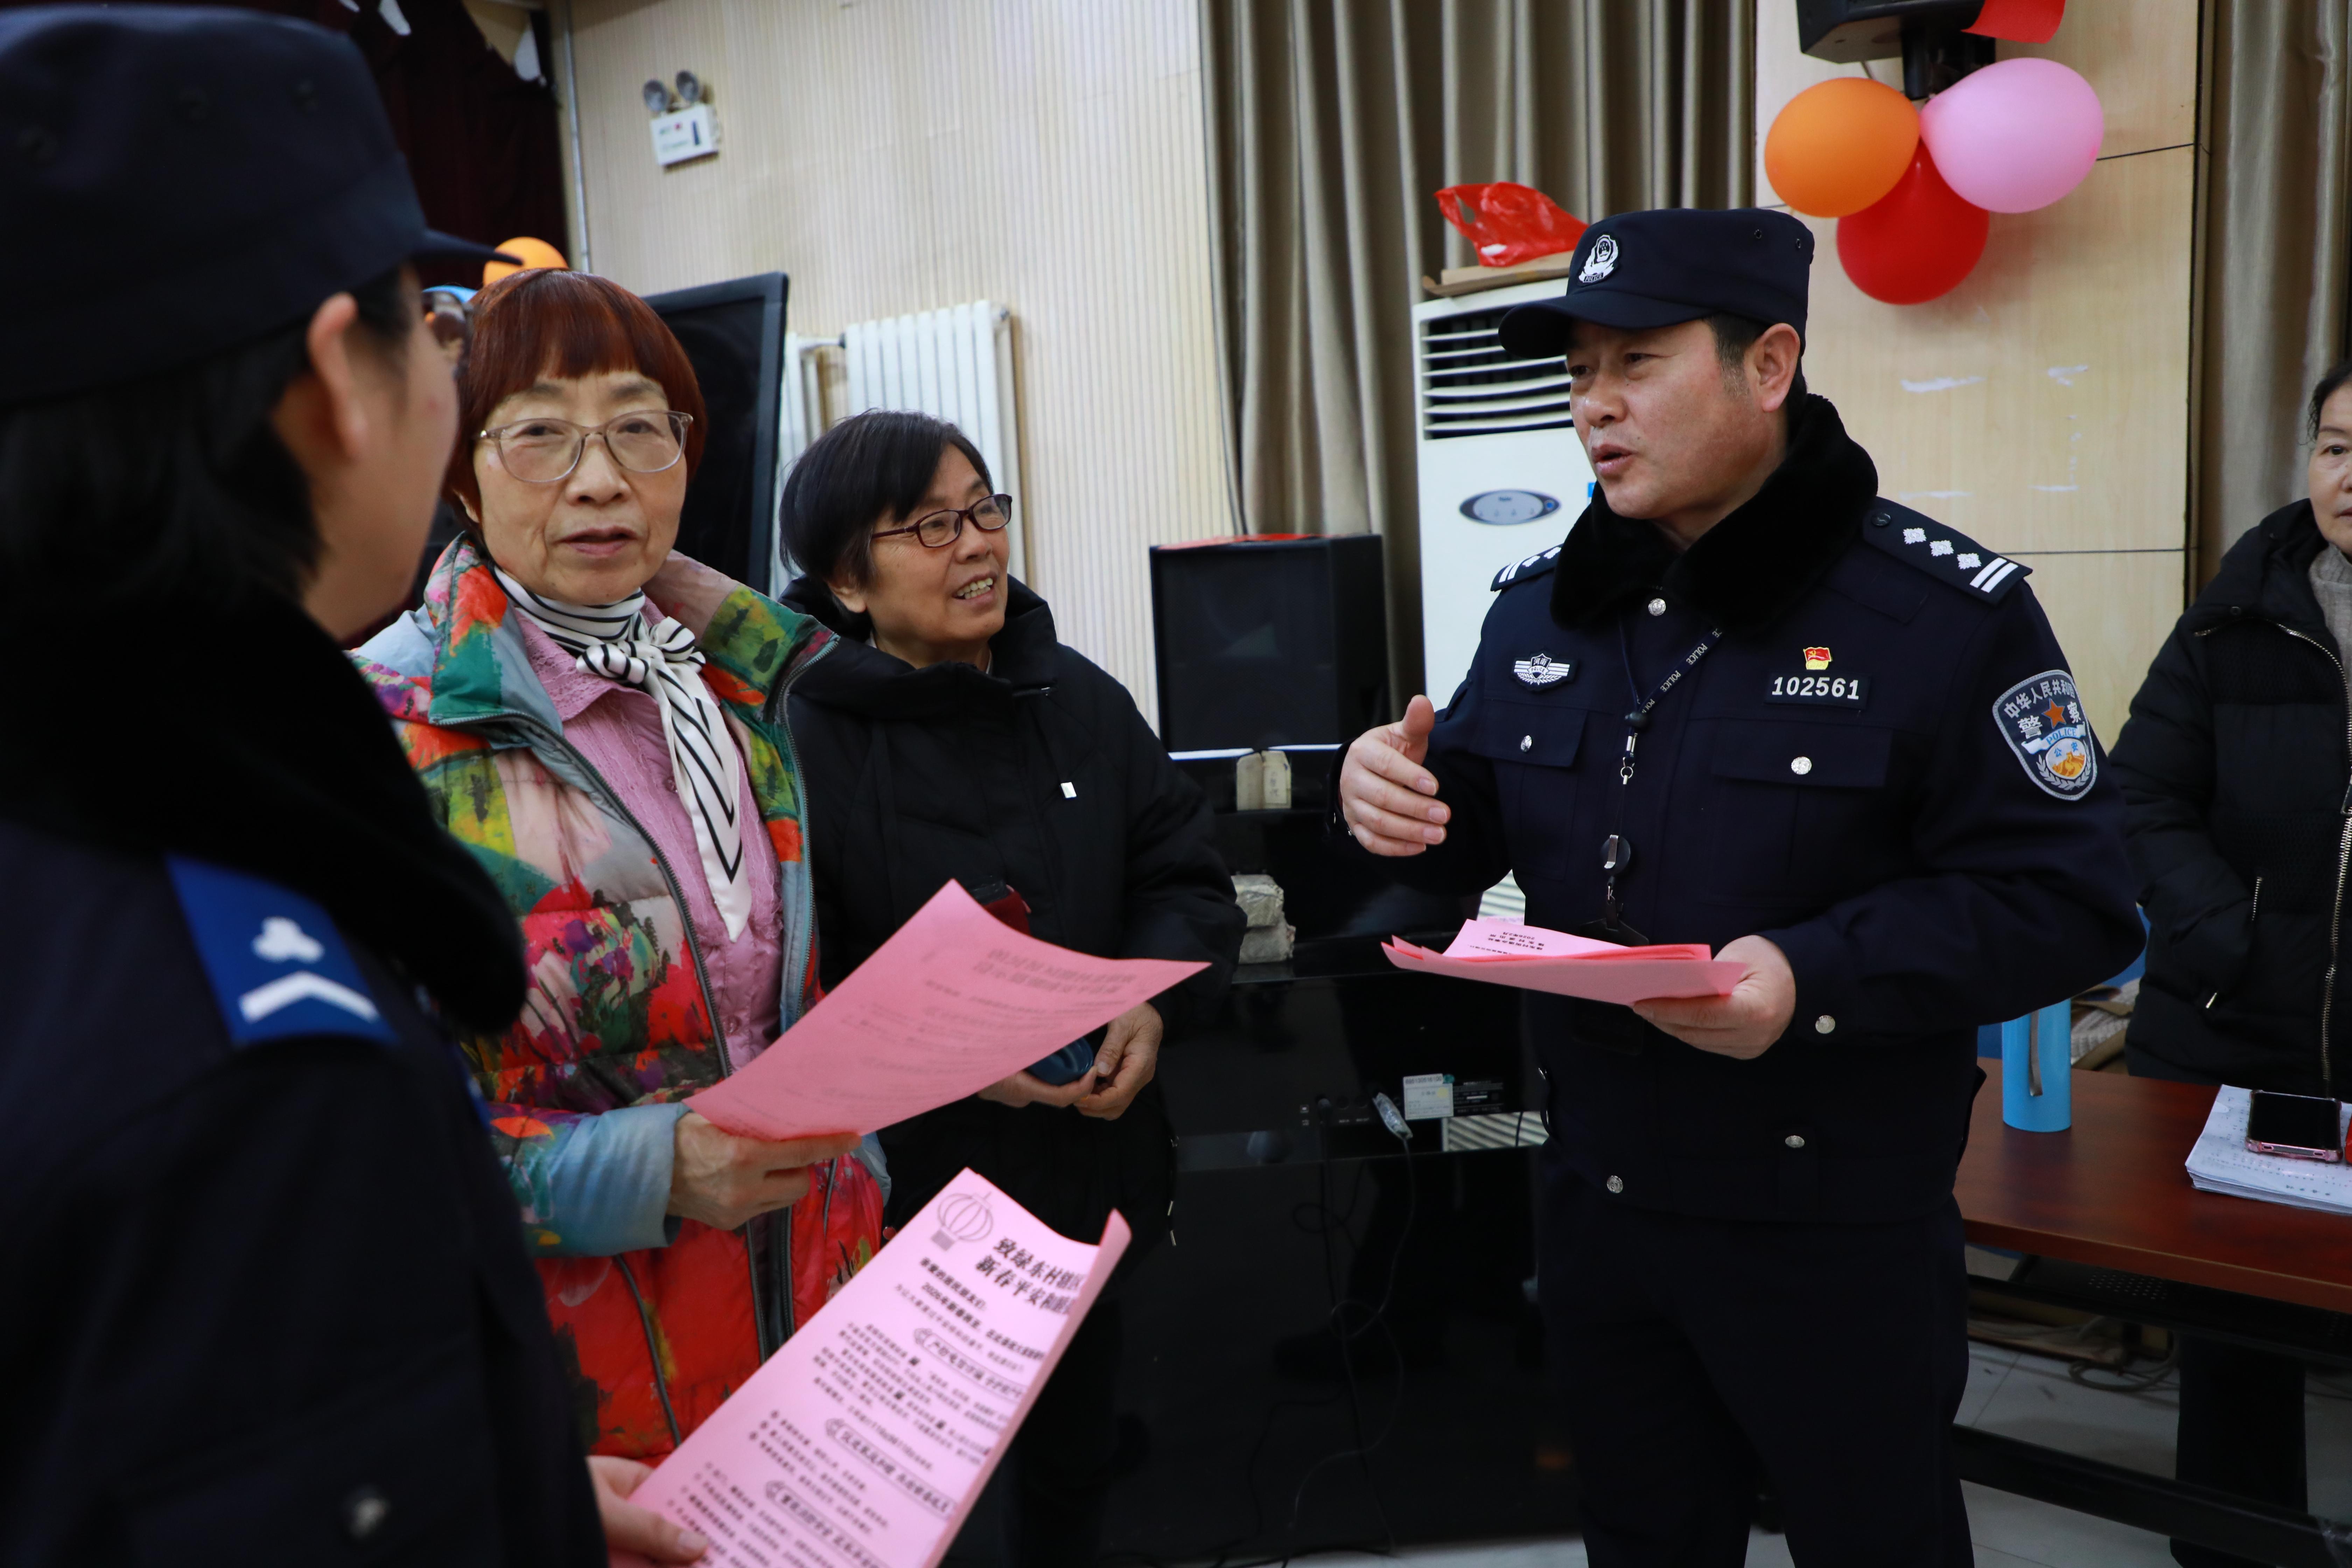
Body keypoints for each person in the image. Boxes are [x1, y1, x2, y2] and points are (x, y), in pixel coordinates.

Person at [1335, 208, 2143, 1564]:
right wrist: (1381, 798)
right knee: (1641, 1538)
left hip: (1831, 1221)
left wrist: (1811, 974)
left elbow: (2071, 899)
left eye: (1636, 363)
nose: (1595, 406)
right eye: (1578, 372)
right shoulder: (1542, 607)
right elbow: (1456, 821)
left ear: (1768, 366)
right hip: (1598, 1202)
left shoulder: (1938, 614)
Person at [0, 8, 702, 1563]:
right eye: (430, 326)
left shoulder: (105, 820)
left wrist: (499, 1479)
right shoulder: (257, 1052)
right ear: (340, 384)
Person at [355, 267, 883, 1461]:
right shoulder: (380, 731)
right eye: (541, 434)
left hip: (820, 1344)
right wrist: (649, 1169)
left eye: (640, 429)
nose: (600, 479)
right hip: (581, 1409)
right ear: (460, 472)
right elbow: (358, 1147)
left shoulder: (738, 686)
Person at [775, 410, 1245, 1566]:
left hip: (1087, 1177)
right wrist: (953, 1055)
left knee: (1076, 1479)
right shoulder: (790, 739)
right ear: (847, 580)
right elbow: (782, 976)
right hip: (903, 1206)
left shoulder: (1075, 699)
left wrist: (1148, 1001)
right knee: (914, 1500)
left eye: (984, 510)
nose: (977, 543)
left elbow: (1183, 878)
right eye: (931, 526)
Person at [2106, 360, 2352, 1567]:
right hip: (2241, 1033)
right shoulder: (2235, 615)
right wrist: (2227, 939)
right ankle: (2237, 1553)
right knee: (2238, 1331)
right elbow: (2138, 793)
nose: (2351, 477)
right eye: (2337, 447)